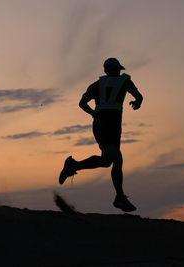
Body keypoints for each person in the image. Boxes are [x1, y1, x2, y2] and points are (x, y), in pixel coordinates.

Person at [58, 58, 143, 212]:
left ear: (105, 70)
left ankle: (74, 165)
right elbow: (139, 97)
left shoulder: (96, 85)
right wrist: (137, 103)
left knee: (107, 161)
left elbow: (82, 103)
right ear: (118, 69)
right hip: (112, 126)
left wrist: (94, 114)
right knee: (117, 159)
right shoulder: (125, 81)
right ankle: (120, 197)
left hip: (101, 124)